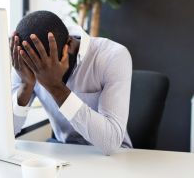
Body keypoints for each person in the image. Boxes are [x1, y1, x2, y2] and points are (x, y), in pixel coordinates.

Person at [10, 10, 132, 155]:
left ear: (69, 46)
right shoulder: (25, 61)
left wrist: (55, 87)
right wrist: (25, 85)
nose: (37, 73)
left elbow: (110, 143)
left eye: (42, 68)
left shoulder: (112, 56)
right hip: (63, 150)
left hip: (112, 156)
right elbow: (6, 132)